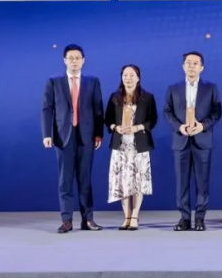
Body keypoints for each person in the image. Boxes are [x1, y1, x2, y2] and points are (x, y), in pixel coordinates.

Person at [41, 43, 105, 234]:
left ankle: (88, 219)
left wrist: (99, 133)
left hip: (86, 136)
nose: (74, 61)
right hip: (63, 137)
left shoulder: (92, 82)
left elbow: (98, 109)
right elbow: (47, 109)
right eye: (71, 58)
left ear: (83, 60)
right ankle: (67, 220)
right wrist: (46, 134)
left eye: (77, 58)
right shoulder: (54, 81)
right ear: (64, 60)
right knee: (65, 181)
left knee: (85, 180)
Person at [163, 51, 222, 232]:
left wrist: (202, 126)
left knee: (202, 182)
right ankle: (184, 218)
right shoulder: (173, 88)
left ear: (201, 67)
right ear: (183, 66)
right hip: (181, 140)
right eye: (188, 63)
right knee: (182, 182)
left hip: (202, 141)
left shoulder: (211, 88)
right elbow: (167, 112)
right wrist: (179, 127)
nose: (191, 66)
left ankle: (200, 219)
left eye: (195, 63)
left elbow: (217, 112)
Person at [104, 64, 157, 231]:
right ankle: (126, 216)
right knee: (123, 181)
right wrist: (115, 127)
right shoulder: (115, 97)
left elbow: (152, 120)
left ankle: (135, 215)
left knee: (138, 181)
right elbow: (108, 119)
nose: (128, 78)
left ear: (138, 78)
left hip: (139, 145)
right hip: (120, 145)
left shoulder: (147, 97)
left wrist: (137, 127)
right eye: (125, 75)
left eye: (132, 75)